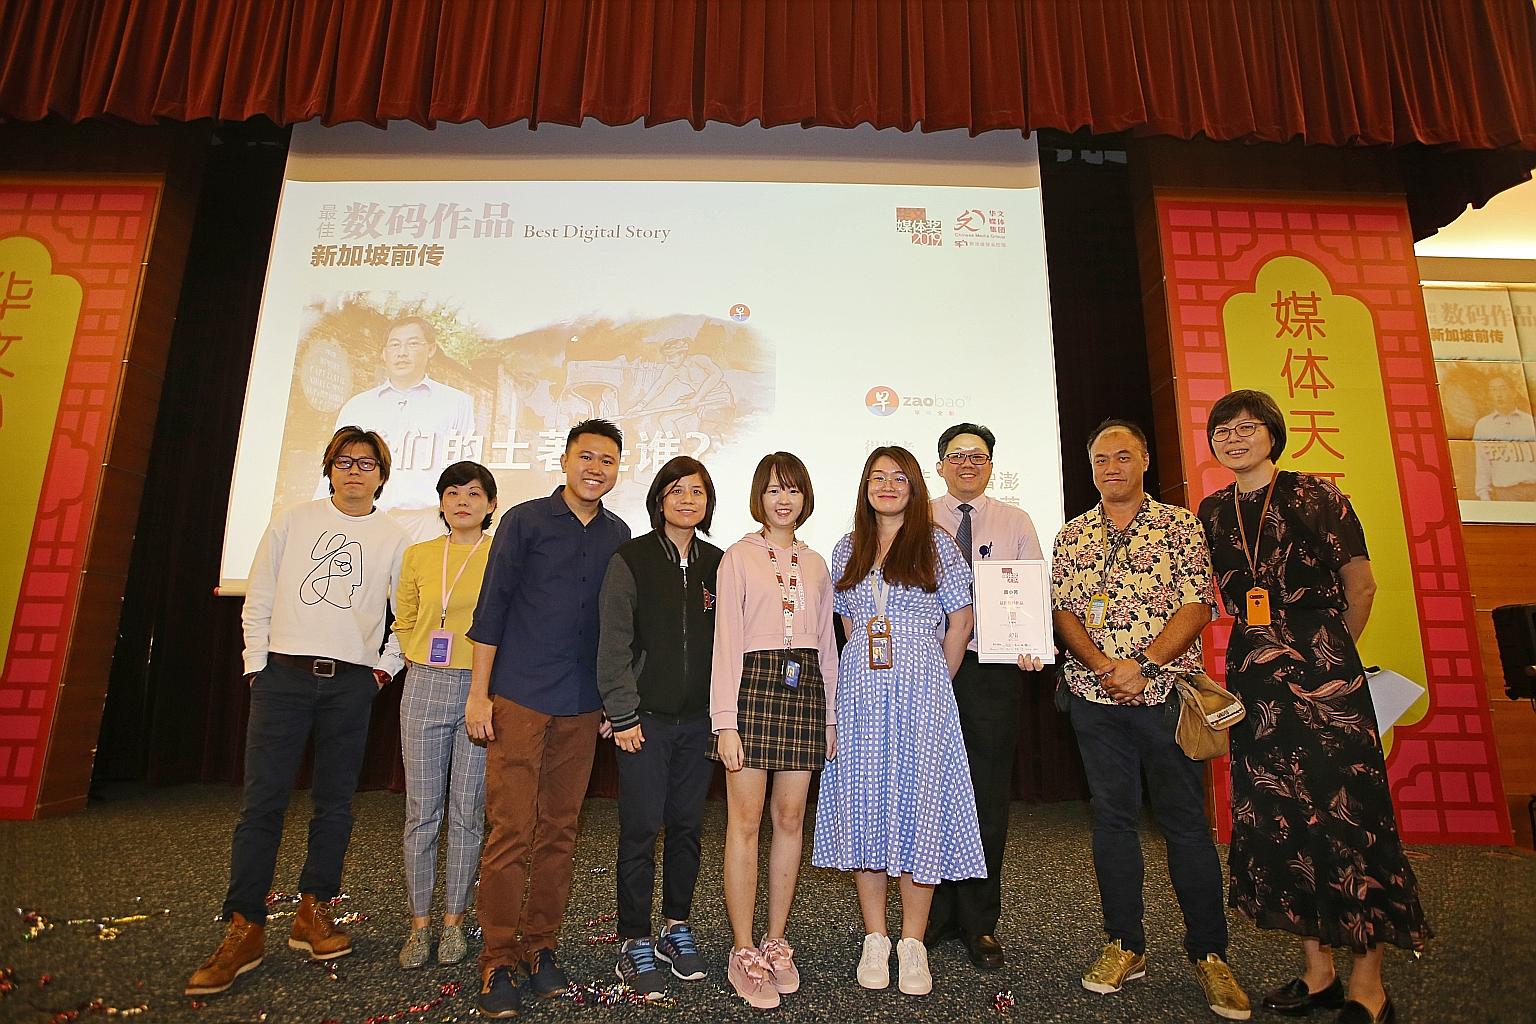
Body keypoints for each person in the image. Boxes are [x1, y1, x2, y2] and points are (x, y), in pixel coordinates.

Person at [1197, 390, 1430, 1024]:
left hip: (1323, 670)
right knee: (1280, 820)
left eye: (1247, 429)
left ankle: (1368, 982)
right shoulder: (1213, 510)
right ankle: (1318, 971)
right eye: (1223, 431)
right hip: (1254, 676)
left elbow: (1361, 584)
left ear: (1274, 435)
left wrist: (1325, 656)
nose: (1234, 439)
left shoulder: (1316, 494)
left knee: (1347, 819)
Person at [186, 426, 409, 997]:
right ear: (329, 467)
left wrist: (383, 669)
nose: (355, 470)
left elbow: (406, 613)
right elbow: (259, 592)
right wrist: (257, 665)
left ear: (382, 475)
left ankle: (313, 911)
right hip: (281, 678)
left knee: (334, 805)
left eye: (366, 463)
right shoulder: (292, 519)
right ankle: (245, 926)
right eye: (344, 460)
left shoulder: (395, 536)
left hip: (351, 686)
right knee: (262, 804)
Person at [1051, 418, 1250, 1021]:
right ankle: (1125, 945)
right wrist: (1105, 667)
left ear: (1144, 462)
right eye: (1100, 460)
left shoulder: (1179, 526)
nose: (1111, 468)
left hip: (1166, 698)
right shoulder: (1073, 535)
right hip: (1095, 700)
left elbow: (1197, 604)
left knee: (1186, 826)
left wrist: (1143, 664)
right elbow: (1063, 612)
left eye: (1123, 457)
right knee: (1112, 824)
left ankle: (1210, 954)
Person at [465, 419, 631, 1018]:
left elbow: (620, 629)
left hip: (583, 706)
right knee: (510, 831)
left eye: (608, 460)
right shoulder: (524, 521)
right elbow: (492, 609)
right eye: (587, 456)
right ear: (564, 460)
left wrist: (616, 700)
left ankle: (542, 948)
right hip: (519, 697)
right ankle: (497, 959)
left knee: (560, 833)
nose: (596, 468)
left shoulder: (620, 534)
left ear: (618, 470)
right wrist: (478, 694)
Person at [812, 445, 982, 999]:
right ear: (864, 486)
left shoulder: (935, 546)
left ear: (913, 486)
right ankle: (875, 937)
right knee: (867, 808)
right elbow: (844, 622)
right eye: (876, 477)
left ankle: (912, 942)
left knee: (919, 806)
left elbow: (959, 620)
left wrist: (937, 680)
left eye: (898, 477)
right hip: (862, 695)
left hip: (922, 693)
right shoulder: (846, 548)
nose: (887, 485)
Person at [710, 452, 839, 1011]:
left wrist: (831, 714)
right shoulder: (737, 557)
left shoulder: (817, 562)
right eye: (772, 490)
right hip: (752, 689)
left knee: (790, 821)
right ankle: (742, 949)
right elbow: (725, 643)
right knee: (744, 823)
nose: (783, 500)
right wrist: (724, 722)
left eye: (792, 490)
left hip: (804, 688)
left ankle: (776, 940)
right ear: (758, 497)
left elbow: (828, 645)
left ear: (806, 497)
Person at [597, 456, 723, 1001]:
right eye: (676, 491)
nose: (687, 500)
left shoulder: (721, 563)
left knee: (689, 829)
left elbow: (730, 645)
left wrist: (724, 718)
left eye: (697, 491)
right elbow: (613, 644)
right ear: (659, 499)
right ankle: (634, 937)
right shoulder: (630, 559)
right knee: (641, 829)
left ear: (707, 502)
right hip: (642, 722)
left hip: (699, 723)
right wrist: (622, 713)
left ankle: (676, 927)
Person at [925, 423, 1047, 971]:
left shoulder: (1014, 521)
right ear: (940, 464)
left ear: (992, 465)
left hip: (993, 668)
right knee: (925, 793)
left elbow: (1032, 594)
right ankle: (928, 917)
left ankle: (979, 922)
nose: (968, 463)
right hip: (923, 669)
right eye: (957, 455)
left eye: (978, 456)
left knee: (986, 799)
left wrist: (1031, 641)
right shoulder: (916, 518)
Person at [392, 461, 498, 969]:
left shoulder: (499, 555)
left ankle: (454, 922)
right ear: (440, 502)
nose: (463, 501)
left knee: (467, 810)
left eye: (474, 493)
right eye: (453, 492)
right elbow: (405, 619)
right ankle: (418, 925)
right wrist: (417, 655)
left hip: (479, 689)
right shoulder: (418, 555)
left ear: (491, 505)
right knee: (422, 811)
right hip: (424, 685)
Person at [325, 316, 476, 527]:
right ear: (384, 353)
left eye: (413, 344)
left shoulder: (456, 402)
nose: (402, 352)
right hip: (365, 518)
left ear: (431, 349)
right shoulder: (357, 406)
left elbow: (464, 468)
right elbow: (335, 466)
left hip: (429, 520)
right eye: (395, 345)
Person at [1473, 374, 1536, 502]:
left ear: (1513, 392)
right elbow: (1482, 463)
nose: (1499, 394)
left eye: (1503, 388)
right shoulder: (1483, 425)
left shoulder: (1530, 421)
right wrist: (1484, 495)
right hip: (1506, 493)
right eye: (1493, 390)